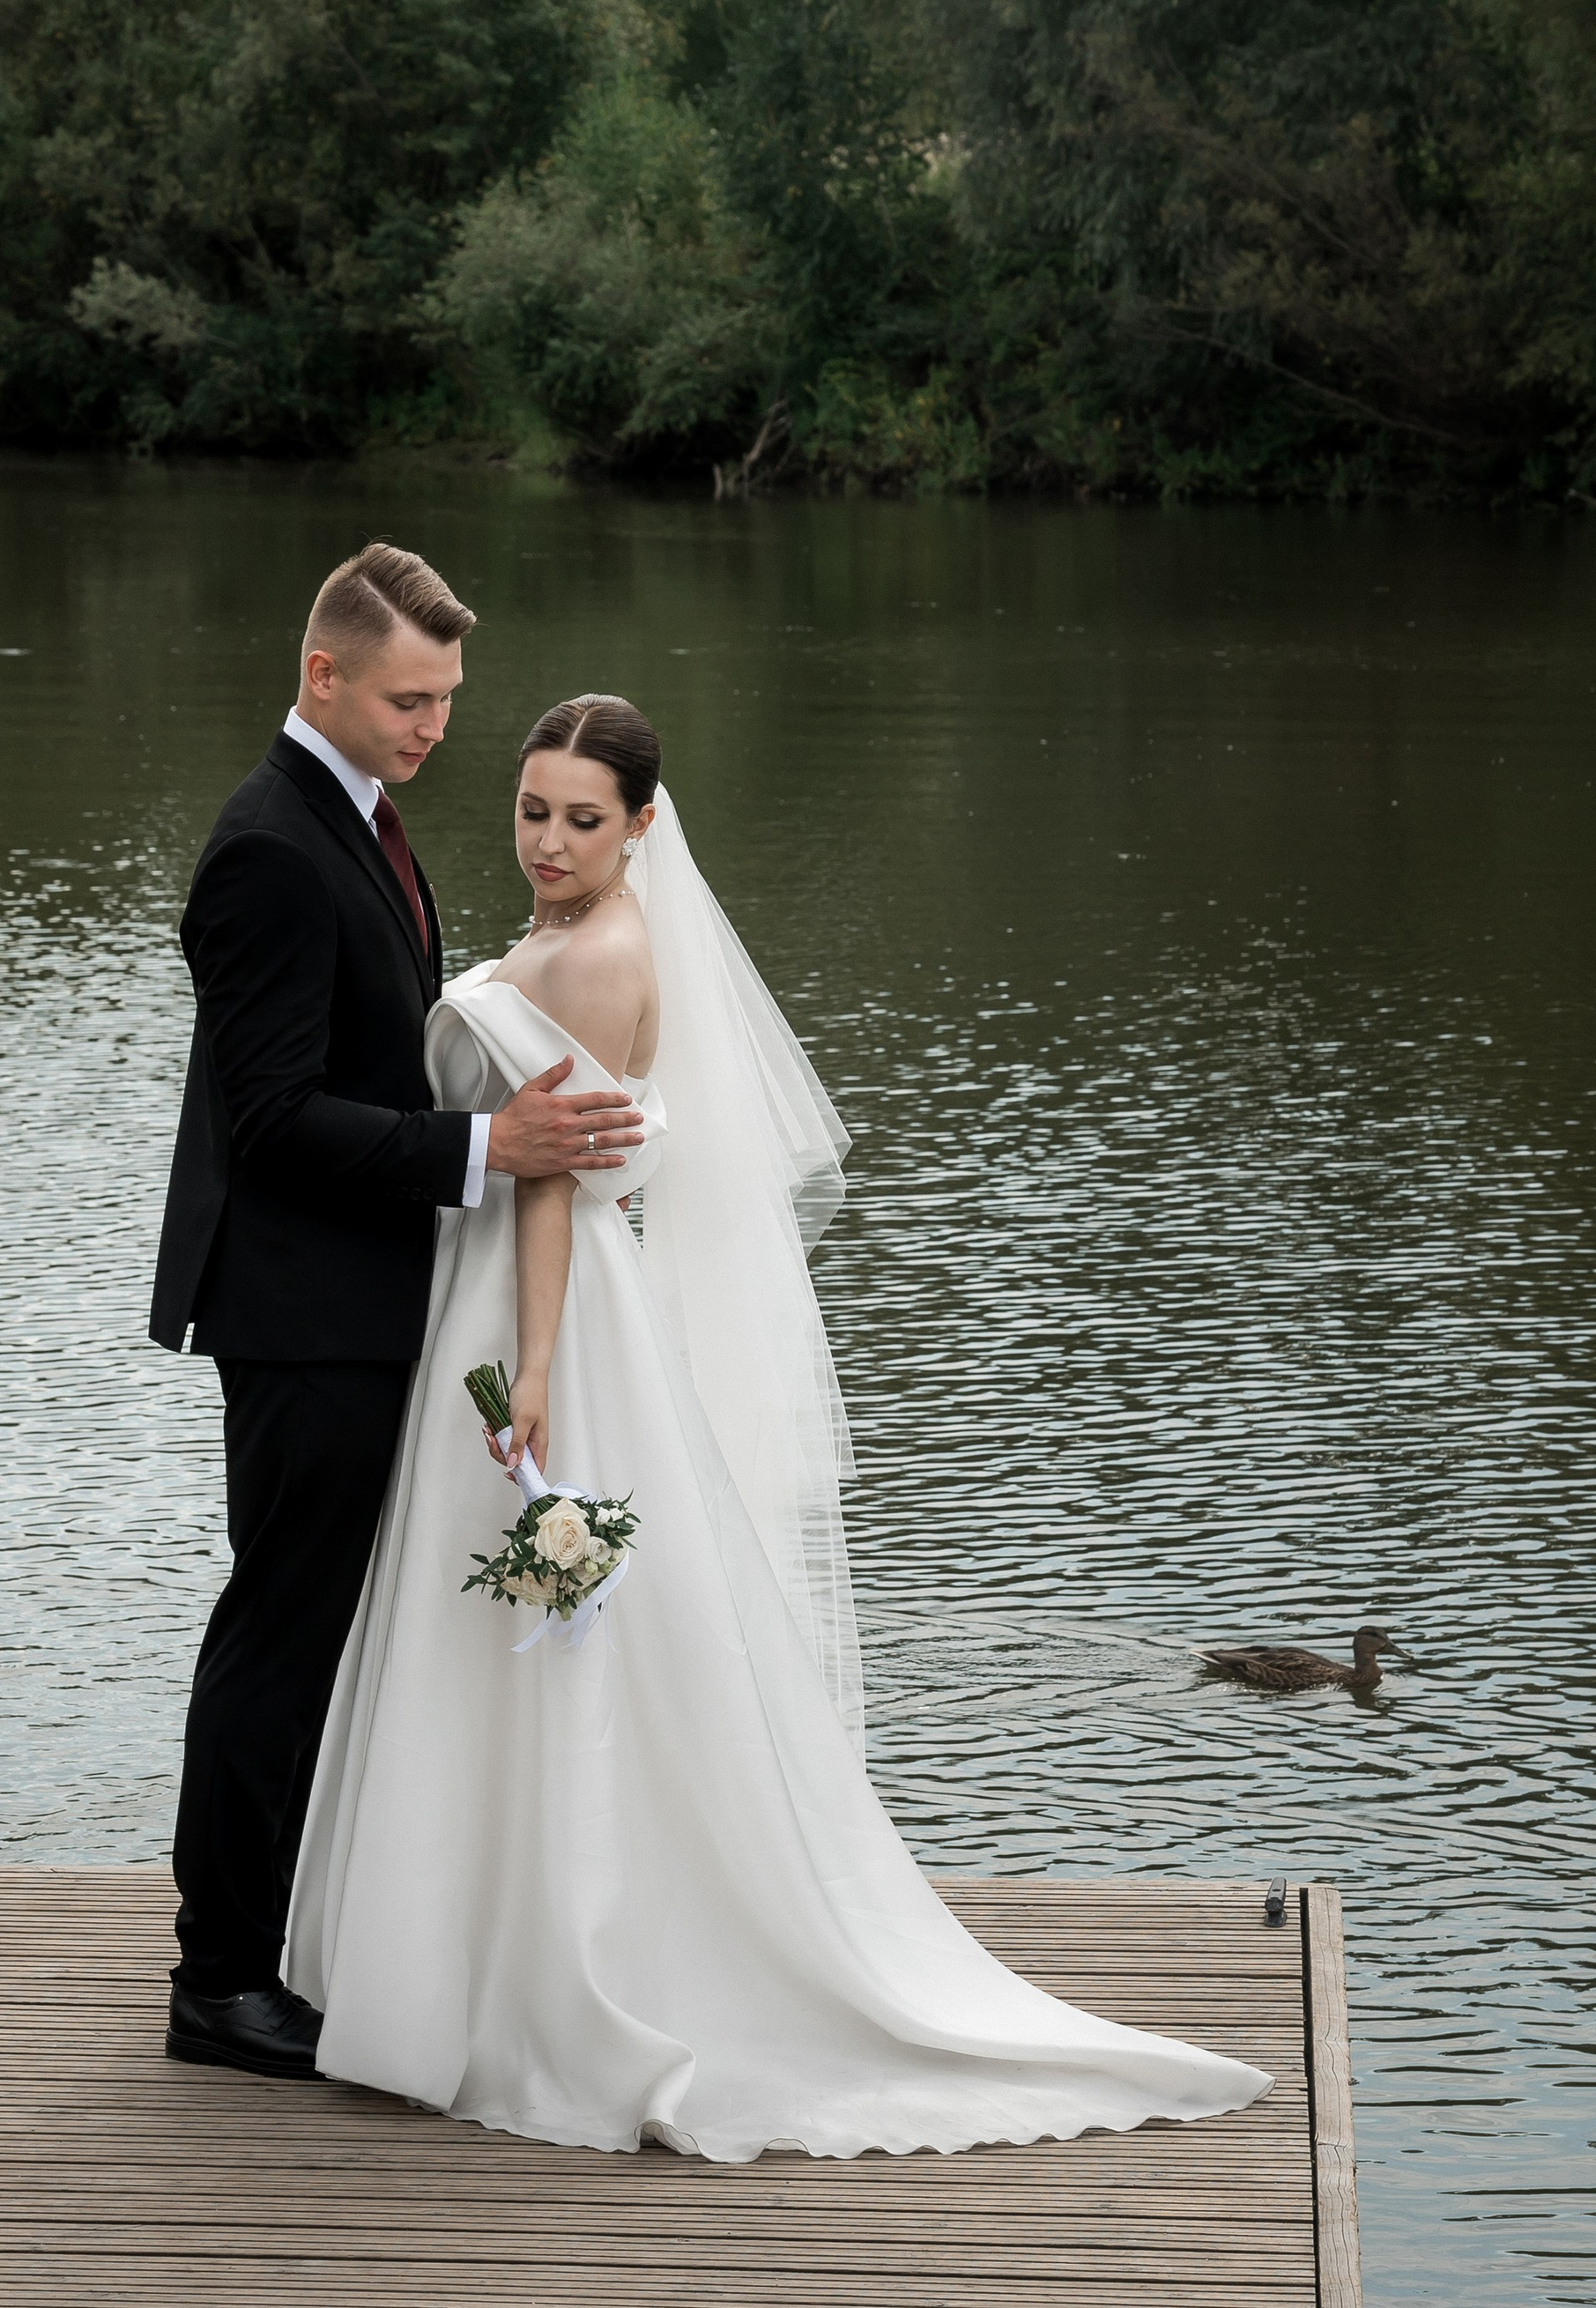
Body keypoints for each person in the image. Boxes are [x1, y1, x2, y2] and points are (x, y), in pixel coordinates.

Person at [288, 693, 1273, 2158]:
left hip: (541, 1313)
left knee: (564, 1617)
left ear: (640, 828)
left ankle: (547, 1971)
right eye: (533, 809)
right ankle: (461, 1965)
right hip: (491, 1292)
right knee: (510, 1622)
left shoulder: (606, 959)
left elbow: (555, 1184)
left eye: (583, 819)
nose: (549, 842)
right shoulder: (567, 939)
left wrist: (538, 1366)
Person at [151, 547, 646, 2081]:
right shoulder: (267, 850)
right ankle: (220, 1976)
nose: (434, 727)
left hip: (367, 1294)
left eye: (445, 701)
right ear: (324, 679)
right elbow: (276, 1117)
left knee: (318, 1627)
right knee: (279, 1630)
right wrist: (484, 1148)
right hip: (299, 1310)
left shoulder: (358, 818)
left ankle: (284, 1936)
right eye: (408, 697)